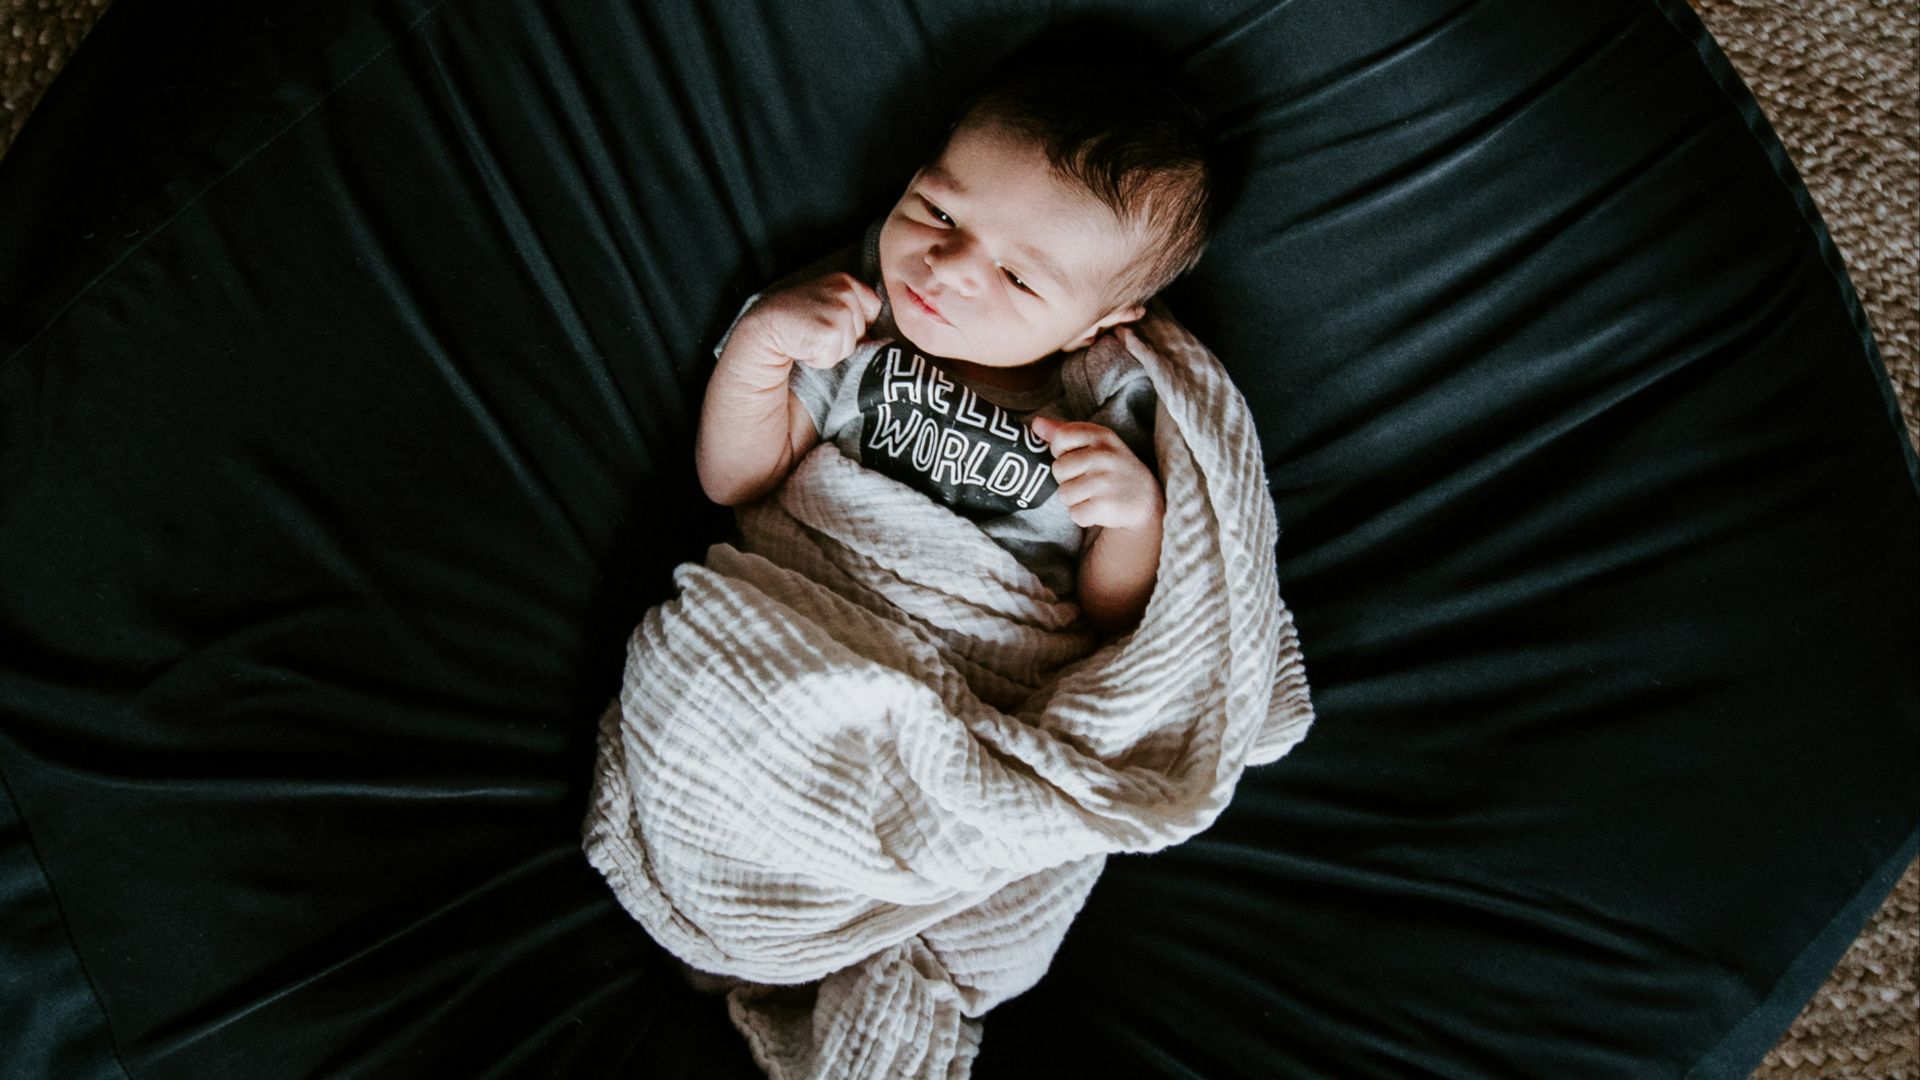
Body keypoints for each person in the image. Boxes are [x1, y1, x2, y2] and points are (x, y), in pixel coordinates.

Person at [694, 36, 1214, 634]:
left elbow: (1111, 614)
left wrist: (1137, 520)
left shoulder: (1103, 406)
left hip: (985, 652)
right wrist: (761, 342)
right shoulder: (852, 317)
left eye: (1018, 278)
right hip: (806, 608)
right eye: (939, 212)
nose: (948, 267)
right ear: (915, 179)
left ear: (1095, 326)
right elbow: (734, 481)